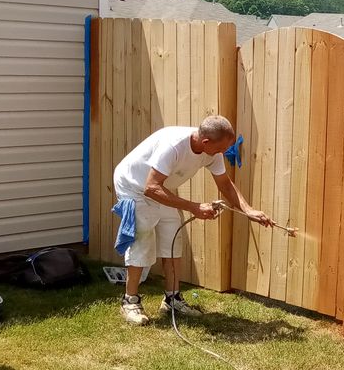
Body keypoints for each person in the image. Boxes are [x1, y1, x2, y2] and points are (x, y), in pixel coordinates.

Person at [111, 115, 277, 325]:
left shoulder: (212, 150)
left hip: (160, 187)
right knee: (142, 237)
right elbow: (150, 188)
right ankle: (130, 301)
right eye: (220, 149)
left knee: (173, 237)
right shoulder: (173, 146)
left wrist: (249, 210)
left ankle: (172, 299)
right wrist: (194, 207)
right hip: (134, 186)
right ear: (205, 142)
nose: (222, 153)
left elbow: (225, 184)